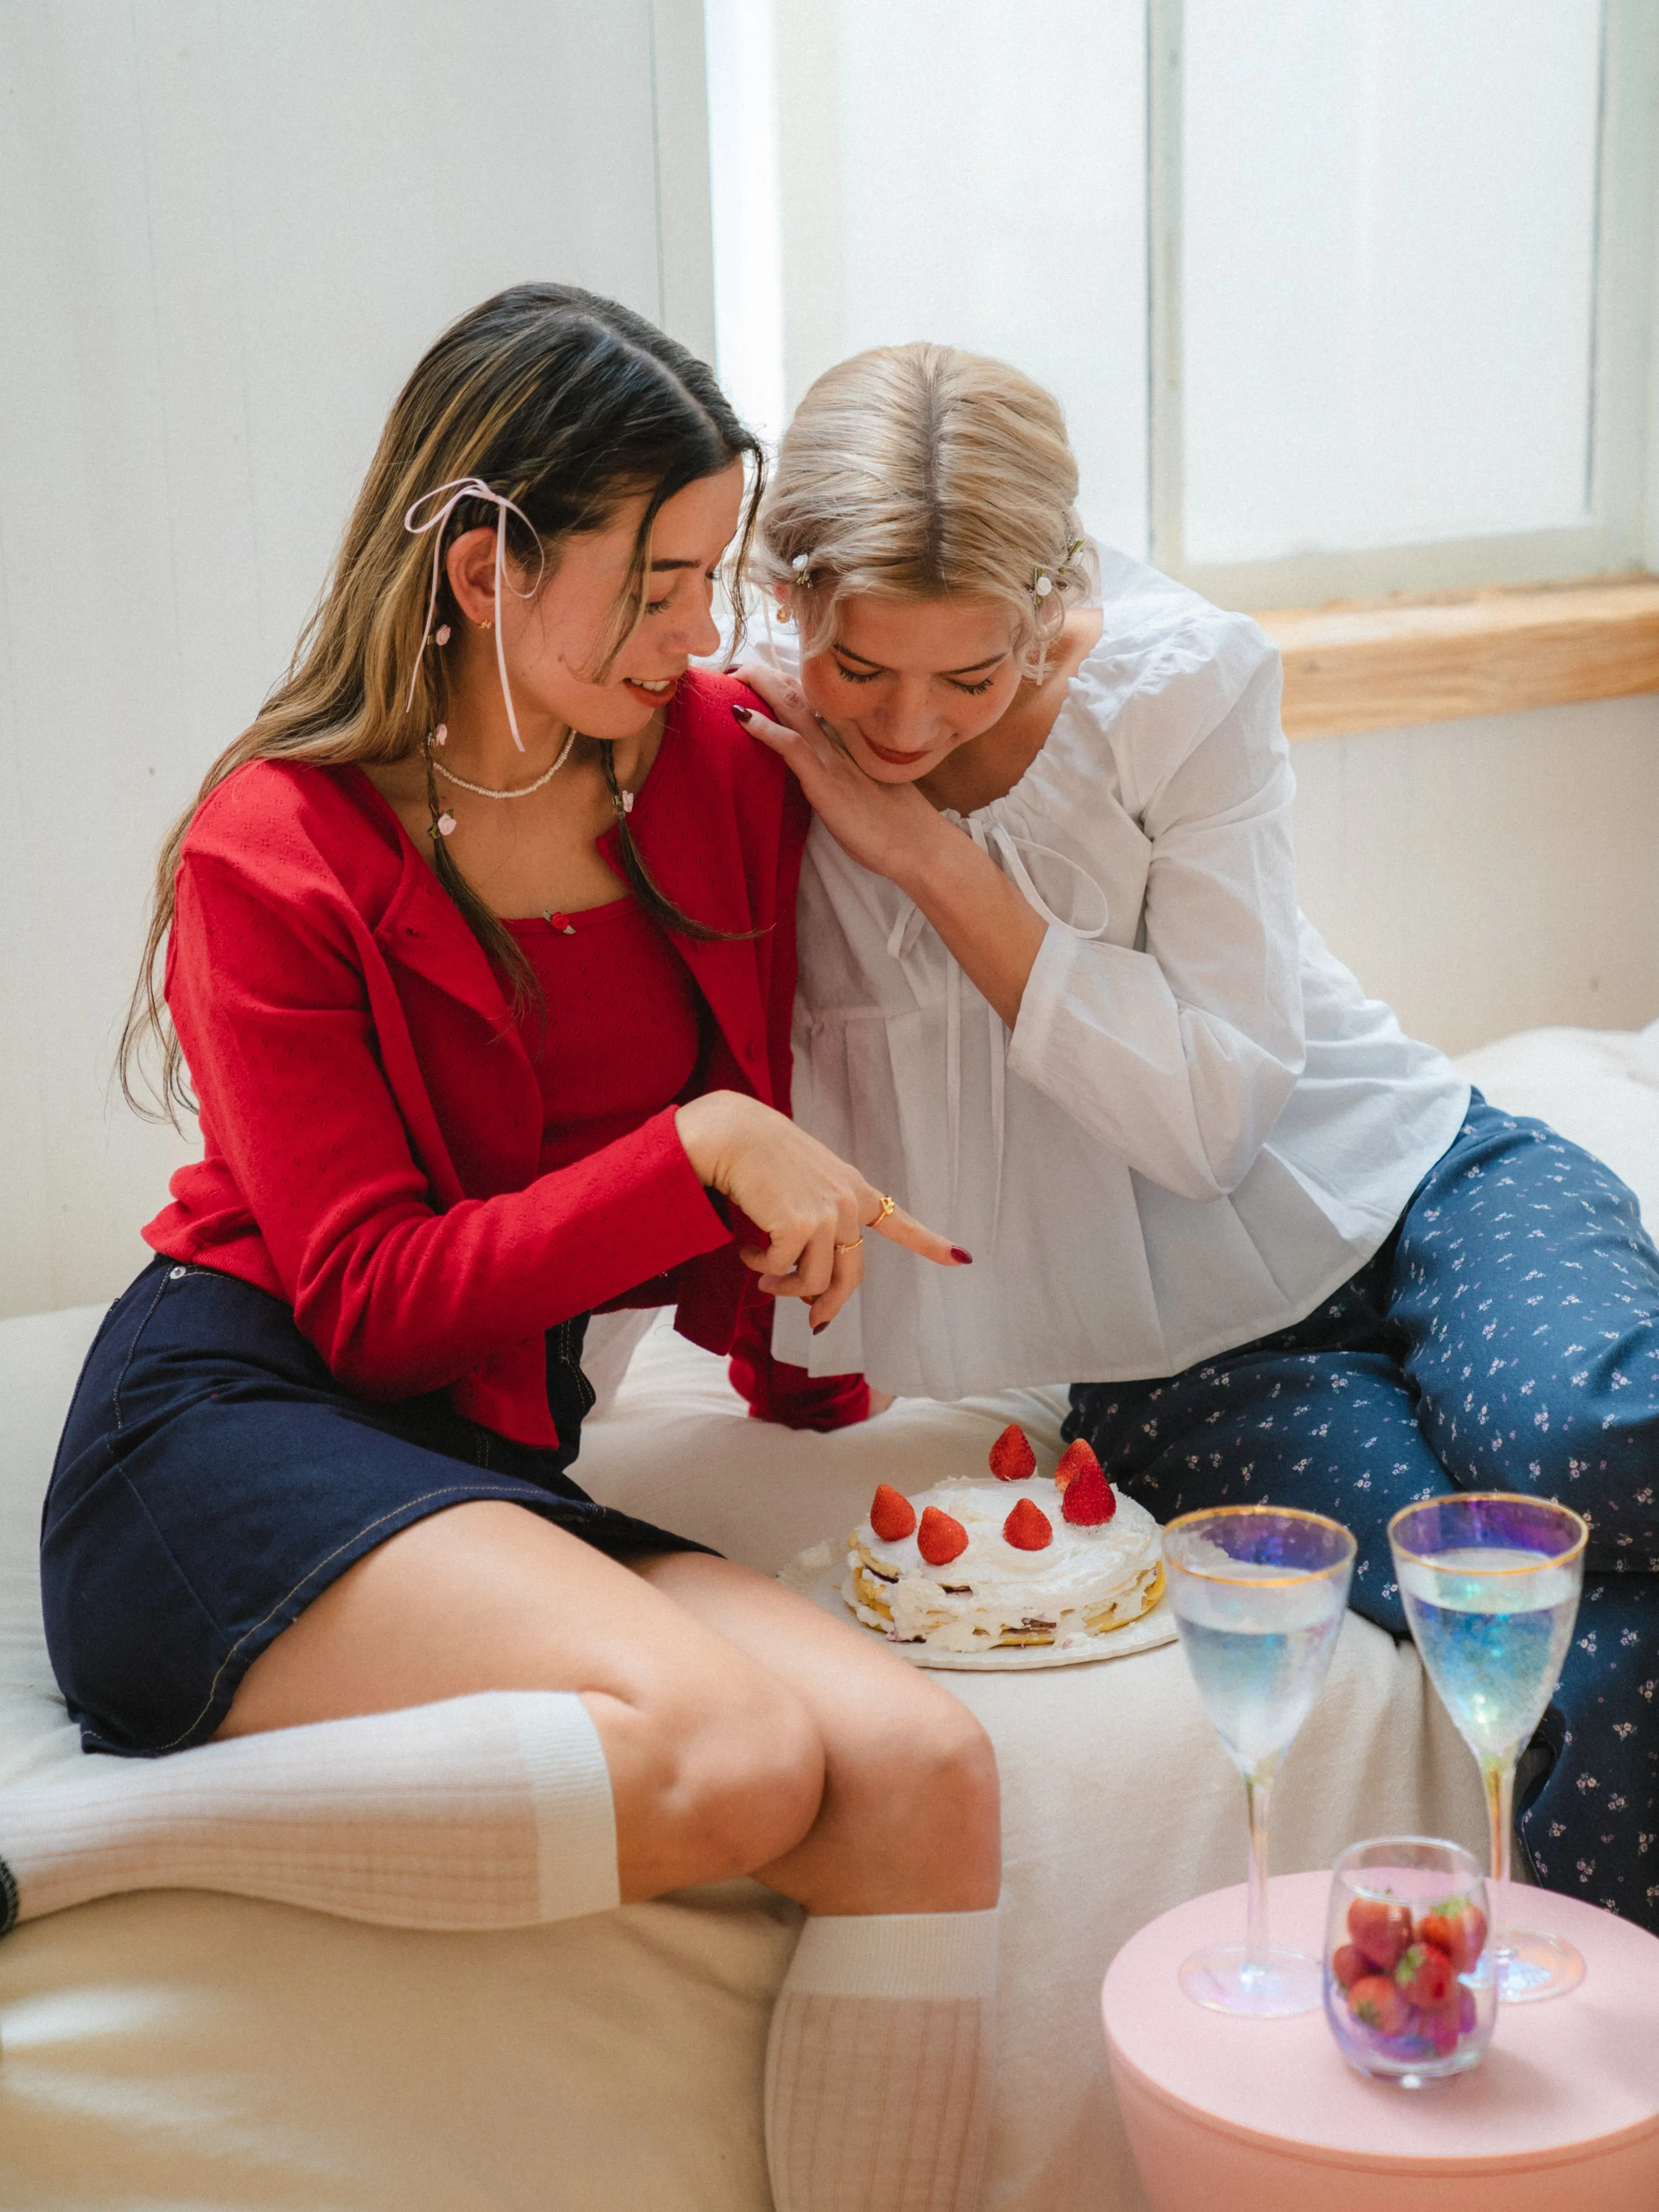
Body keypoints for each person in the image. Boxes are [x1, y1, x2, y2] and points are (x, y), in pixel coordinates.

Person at [12, 290, 998, 2212]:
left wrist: (784, 1292)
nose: (698, 633)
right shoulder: (273, 850)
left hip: (479, 1451)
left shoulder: (714, 765)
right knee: (727, 1754)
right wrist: (699, 1153)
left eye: (712, 578)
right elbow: (374, 1305)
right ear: (482, 568)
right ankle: (63, 1846)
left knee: (917, 1774)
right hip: (235, 1427)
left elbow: (984, 731)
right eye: (655, 587)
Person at [731, 339, 1659, 1933]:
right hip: (1182, 1355)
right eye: (862, 671)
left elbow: (1210, 1120)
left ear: (1053, 612)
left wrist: (933, 863)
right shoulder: (733, 740)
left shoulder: (1179, 687)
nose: (904, 725)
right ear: (788, 603)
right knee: (1543, 1625)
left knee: (1595, 1444)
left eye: (971, 677)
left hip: (1425, 1183)